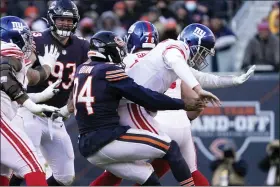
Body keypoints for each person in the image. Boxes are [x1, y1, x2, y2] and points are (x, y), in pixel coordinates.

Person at [90, 21, 255, 186]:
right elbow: (196, 96)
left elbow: (110, 91)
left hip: (143, 117)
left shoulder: (133, 59)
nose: (200, 57)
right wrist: (231, 81)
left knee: (118, 172)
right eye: (200, 52)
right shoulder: (170, 52)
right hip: (179, 124)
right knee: (187, 169)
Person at [75, 30, 218, 186]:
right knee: (170, 148)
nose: (121, 54)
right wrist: (182, 104)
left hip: (87, 142)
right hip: (107, 139)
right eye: (118, 50)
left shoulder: (81, 69)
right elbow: (146, 97)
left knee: (149, 178)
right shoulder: (109, 71)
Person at [9, 0, 90, 186]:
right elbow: (21, 73)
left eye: (69, 20)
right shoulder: (36, 39)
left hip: (56, 117)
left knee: (66, 177)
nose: (66, 24)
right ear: (51, 19)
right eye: (61, 19)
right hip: (30, 111)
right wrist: (44, 68)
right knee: (25, 166)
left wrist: (69, 107)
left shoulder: (83, 47)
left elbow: (83, 81)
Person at [0, 16, 59, 186]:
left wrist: (48, 66)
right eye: (27, 38)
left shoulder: (17, 61)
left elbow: (32, 77)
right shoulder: (9, 51)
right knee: (33, 166)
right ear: (15, 38)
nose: (31, 43)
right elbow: (5, 76)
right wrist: (30, 104)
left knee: (3, 173)